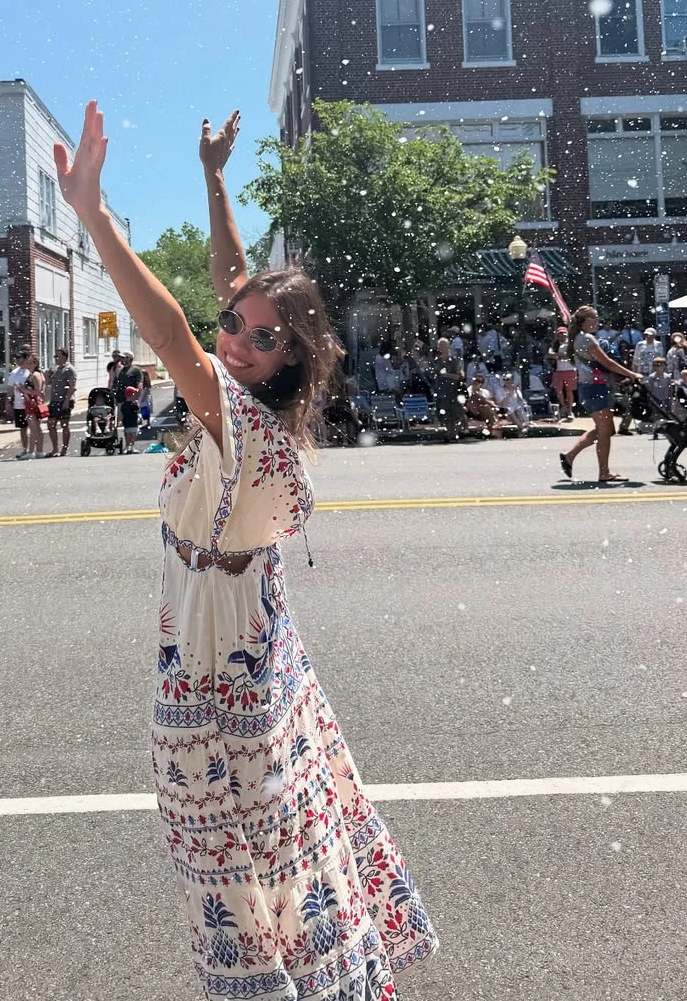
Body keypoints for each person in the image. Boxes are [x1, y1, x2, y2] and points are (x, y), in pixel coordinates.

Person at [53, 102, 438, 998]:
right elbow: (232, 287)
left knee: (242, 886)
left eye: (263, 338)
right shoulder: (249, 395)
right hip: (236, 647)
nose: (235, 340)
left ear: (294, 359)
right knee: (269, 872)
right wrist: (216, 177)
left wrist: (94, 216)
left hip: (223, 689)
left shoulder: (251, 431)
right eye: (235, 326)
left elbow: (170, 337)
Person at [559, 305, 642, 484]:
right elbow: (608, 362)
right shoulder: (586, 338)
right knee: (605, 431)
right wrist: (632, 374)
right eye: (593, 318)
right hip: (593, 389)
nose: (597, 322)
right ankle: (604, 472)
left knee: (607, 429)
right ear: (584, 321)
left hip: (592, 388)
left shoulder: (581, 338)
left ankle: (570, 455)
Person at [429, 336, 467, 441]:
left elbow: (459, 376)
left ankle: (454, 433)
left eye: (443, 346)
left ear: (448, 347)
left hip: (453, 392)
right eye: (439, 346)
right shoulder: (437, 361)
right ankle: (450, 433)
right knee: (444, 415)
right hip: (442, 392)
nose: (441, 348)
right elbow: (433, 375)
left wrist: (446, 375)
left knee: (455, 414)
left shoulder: (453, 361)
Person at [46, 347, 78, 456]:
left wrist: (66, 400)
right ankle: (55, 448)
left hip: (64, 400)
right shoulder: (56, 369)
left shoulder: (69, 369)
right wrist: (48, 375)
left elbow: (71, 386)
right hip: (54, 400)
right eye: (55, 356)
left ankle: (64, 448)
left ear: (64, 356)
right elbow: (48, 383)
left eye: (57, 356)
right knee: (51, 424)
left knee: (64, 424)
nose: (55, 358)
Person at [547, 326, 577, 420]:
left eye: (563, 334)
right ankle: (563, 406)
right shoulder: (555, 344)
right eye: (559, 334)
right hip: (558, 370)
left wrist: (560, 356)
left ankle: (570, 409)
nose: (562, 336)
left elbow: (573, 354)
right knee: (558, 390)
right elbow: (550, 354)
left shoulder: (571, 344)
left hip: (570, 369)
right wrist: (561, 356)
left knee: (569, 391)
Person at [6, 350, 30, 435]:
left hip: (30, 405)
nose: (16, 360)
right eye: (16, 358)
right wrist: (8, 403)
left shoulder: (30, 372)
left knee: (33, 428)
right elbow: (10, 390)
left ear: (25, 358)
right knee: (22, 429)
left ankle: (34, 447)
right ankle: (25, 448)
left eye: (19, 358)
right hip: (18, 405)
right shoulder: (14, 373)